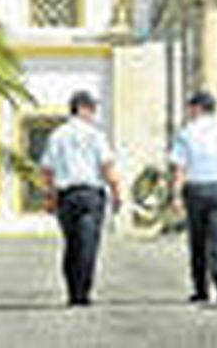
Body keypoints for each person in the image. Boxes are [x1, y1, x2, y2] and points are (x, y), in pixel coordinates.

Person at [38, 90, 122, 307]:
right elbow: (106, 166)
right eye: (92, 108)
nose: (94, 113)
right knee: (89, 244)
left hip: (67, 196)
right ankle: (82, 291)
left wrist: (48, 196)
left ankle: (72, 290)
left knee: (72, 243)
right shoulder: (96, 135)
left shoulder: (57, 135)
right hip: (91, 194)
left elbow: (47, 169)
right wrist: (116, 192)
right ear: (82, 109)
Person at [167, 90, 217, 306]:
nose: (188, 112)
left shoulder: (186, 133)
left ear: (197, 108)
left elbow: (179, 168)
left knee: (198, 242)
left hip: (195, 189)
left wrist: (175, 195)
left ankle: (201, 289)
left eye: (190, 108)